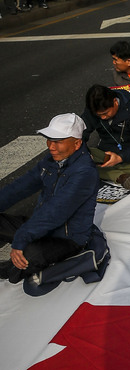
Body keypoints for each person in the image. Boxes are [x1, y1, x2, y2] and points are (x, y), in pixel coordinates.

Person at [0, 113, 98, 283]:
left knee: (29, 255)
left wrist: (21, 240)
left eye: (58, 141)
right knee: (25, 245)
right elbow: (19, 187)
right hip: (43, 227)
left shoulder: (85, 172)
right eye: (49, 140)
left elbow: (55, 212)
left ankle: (9, 271)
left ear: (77, 143)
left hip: (67, 239)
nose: (51, 147)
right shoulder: (50, 160)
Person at [82, 85, 130, 190]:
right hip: (105, 154)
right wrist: (86, 154)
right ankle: (120, 175)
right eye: (99, 115)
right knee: (76, 153)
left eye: (105, 113)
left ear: (115, 102)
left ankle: (110, 173)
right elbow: (80, 135)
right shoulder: (92, 110)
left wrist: (120, 158)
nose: (103, 117)